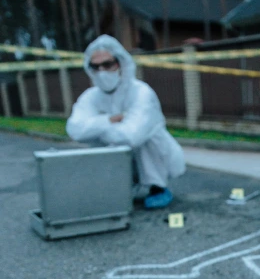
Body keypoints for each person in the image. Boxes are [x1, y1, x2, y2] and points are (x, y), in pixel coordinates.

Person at [66, 35, 185, 209]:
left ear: (120, 63)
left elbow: (133, 136)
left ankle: (157, 186)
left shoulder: (141, 92)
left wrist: (94, 126)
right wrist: (109, 120)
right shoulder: (90, 97)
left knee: (146, 140)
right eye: (95, 66)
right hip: (117, 155)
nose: (102, 71)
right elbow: (74, 129)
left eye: (107, 64)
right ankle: (116, 188)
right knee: (102, 145)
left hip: (150, 154)